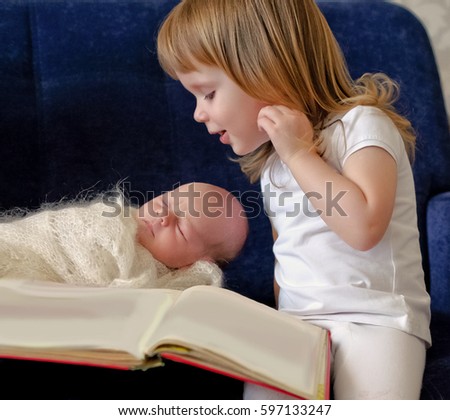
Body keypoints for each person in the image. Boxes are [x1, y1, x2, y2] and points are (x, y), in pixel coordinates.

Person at [156, 0, 431, 399]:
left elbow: (363, 227)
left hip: (376, 319)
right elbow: (288, 253)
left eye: (208, 93)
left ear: (265, 70)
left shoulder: (362, 126)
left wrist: (301, 155)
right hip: (297, 325)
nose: (199, 113)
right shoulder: (275, 164)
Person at [0, 182, 248, 291]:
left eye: (181, 229)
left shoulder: (165, 283)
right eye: (165, 201)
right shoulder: (115, 221)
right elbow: (52, 235)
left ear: (198, 263)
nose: (163, 216)